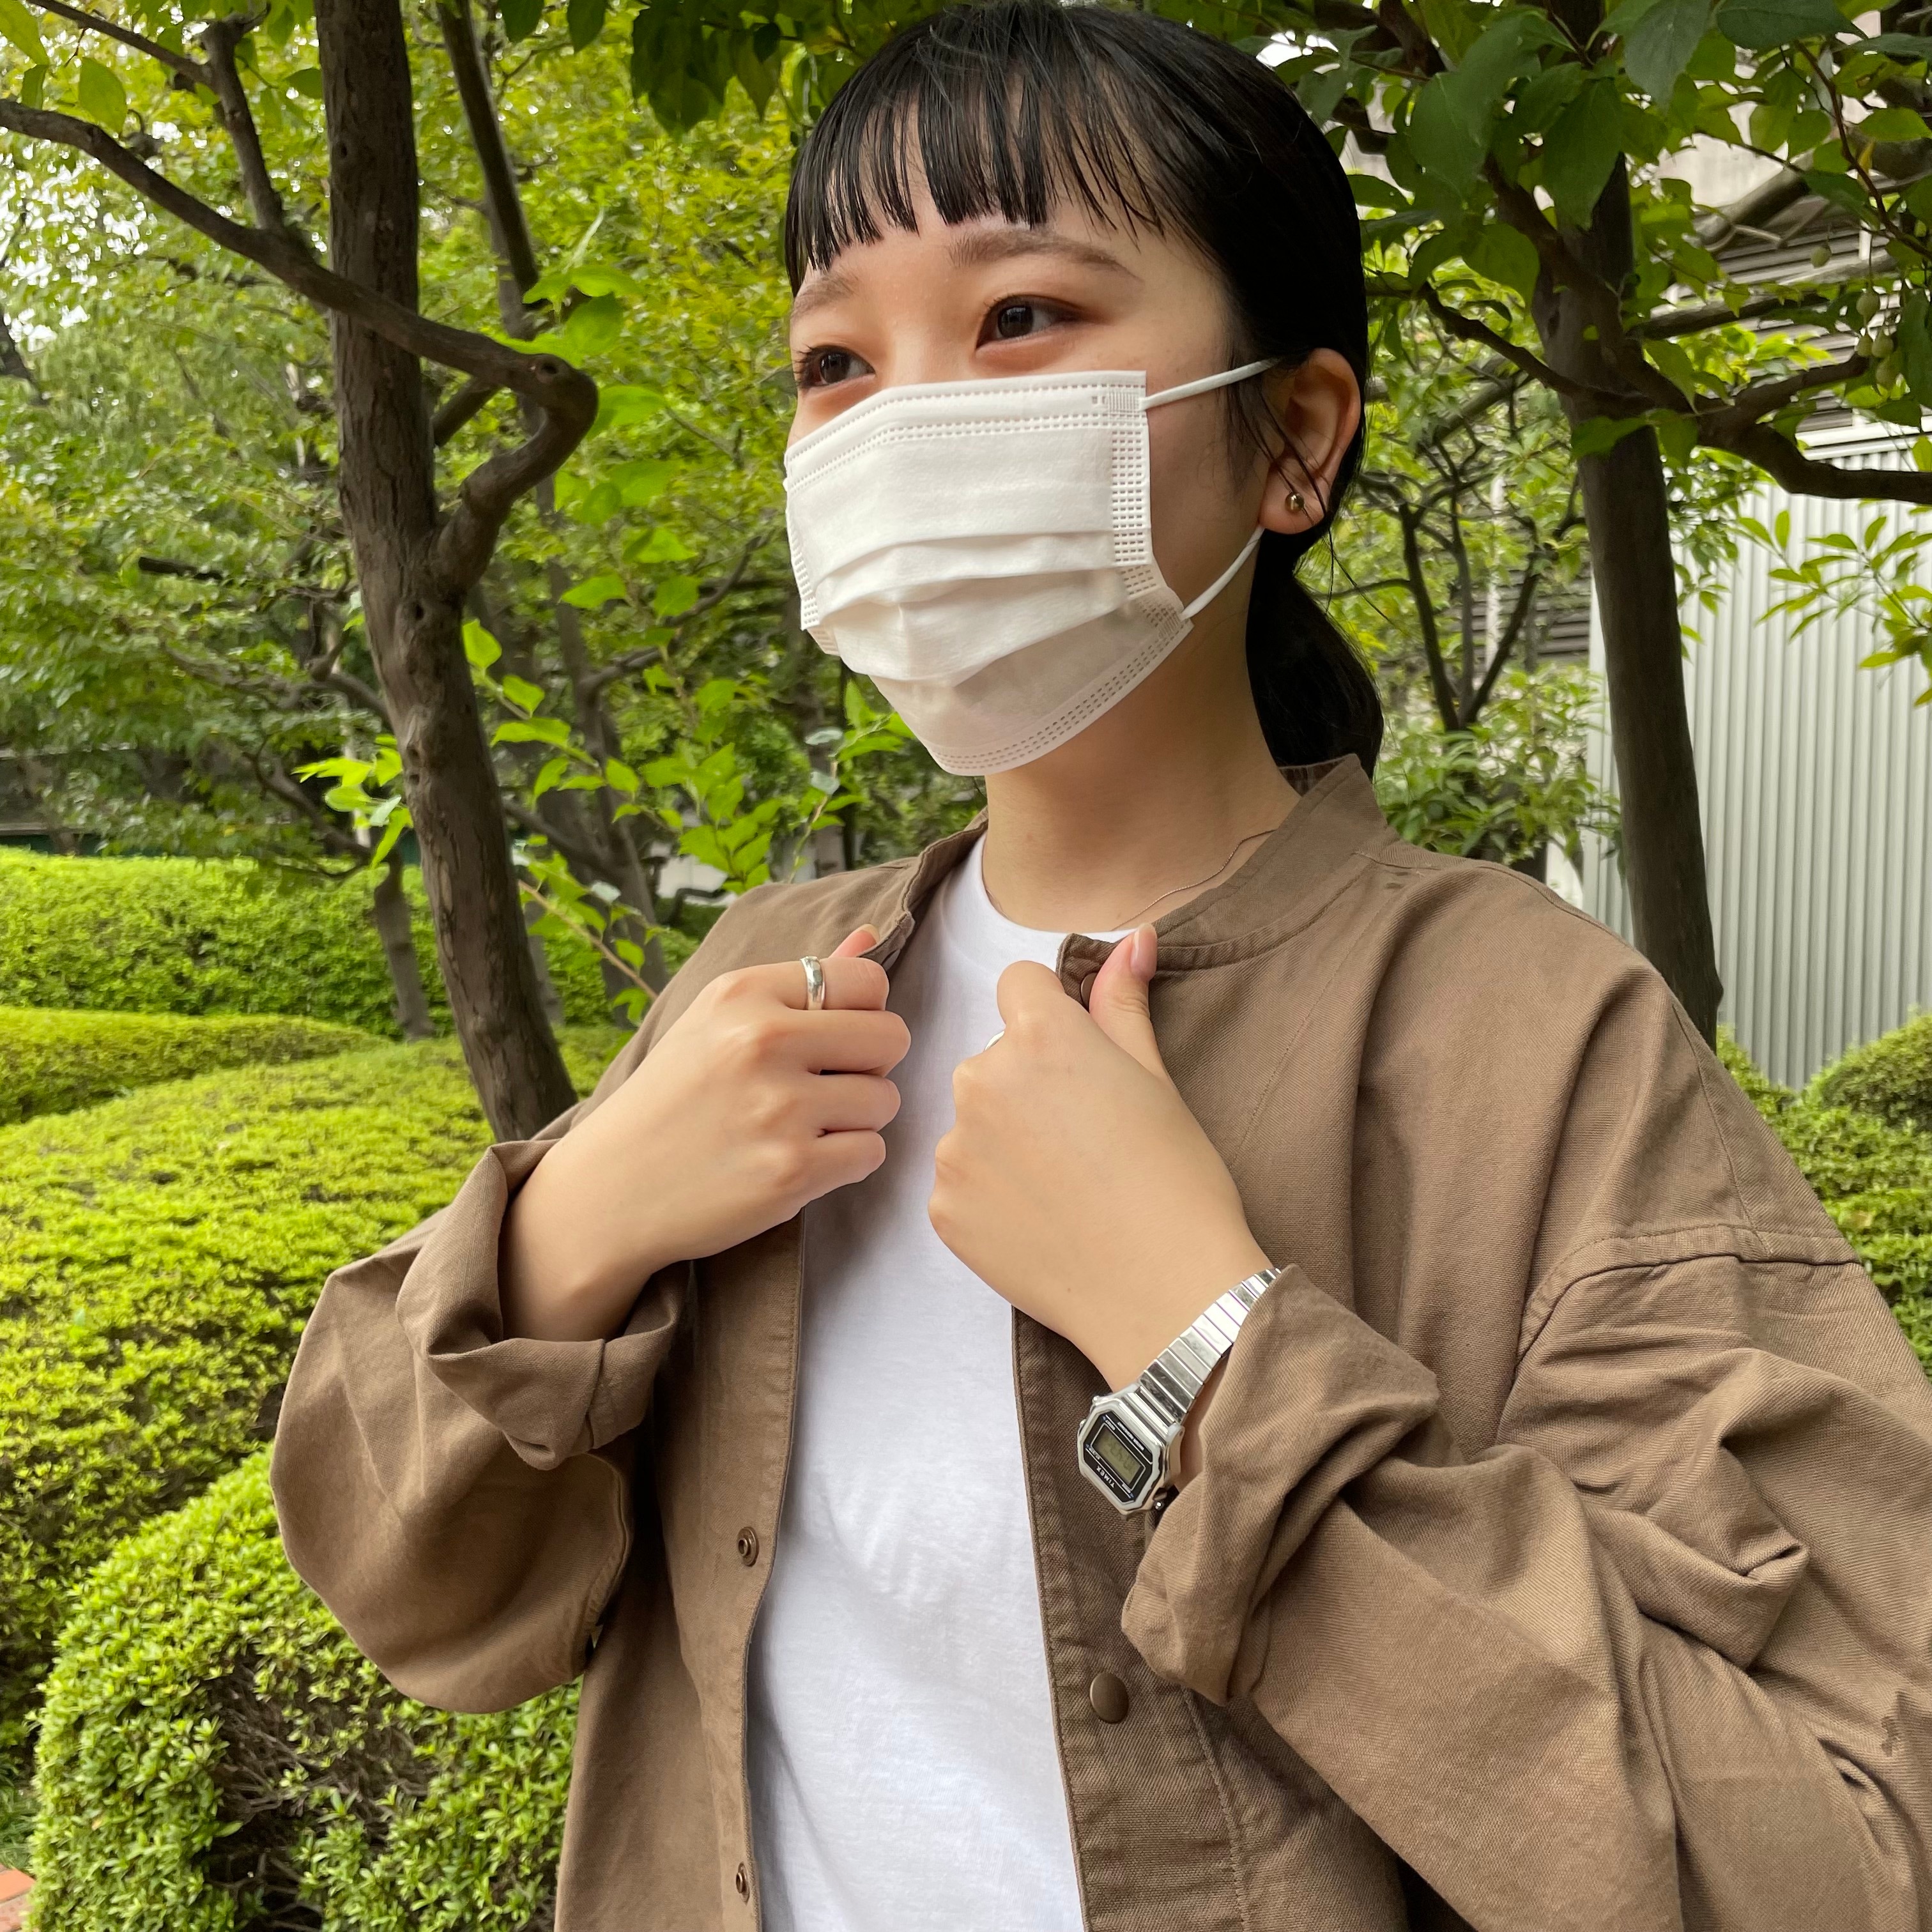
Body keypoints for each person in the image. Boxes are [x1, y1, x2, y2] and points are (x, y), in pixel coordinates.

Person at [271, 4, 1932, 1928]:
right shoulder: (767, 976)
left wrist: (1206, 1340)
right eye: (833, 360)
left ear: (1293, 435)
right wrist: (576, 1228)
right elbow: (418, 1597)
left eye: (1021, 316)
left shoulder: (1534, 1039)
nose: (902, 419)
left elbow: (1834, 1858)